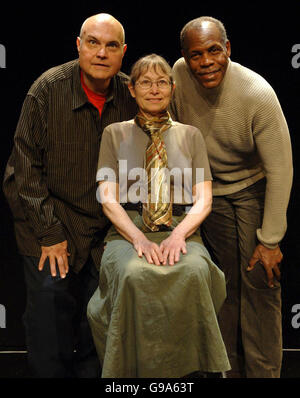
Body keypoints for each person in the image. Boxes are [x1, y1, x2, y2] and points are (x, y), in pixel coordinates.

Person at [2, 13, 138, 378]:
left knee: (102, 320)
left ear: (123, 53)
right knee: (50, 312)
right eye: (92, 42)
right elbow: (24, 169)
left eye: (111, 46)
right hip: (48, 222)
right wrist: (50, 235)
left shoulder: (132, 96)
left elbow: (143, 172)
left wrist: (124, 232)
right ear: (78, 45)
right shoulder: (47, 90)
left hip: (105, 228)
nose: (101, 53)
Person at [87, 54, 230, 378]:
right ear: (132, 89)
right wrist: (138, 238)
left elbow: (204, 199)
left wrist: (179, 236)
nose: (155, 89)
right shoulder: (114, 133)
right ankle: (129, 372)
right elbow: (108, 199)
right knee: (133, 273)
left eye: (162, 82)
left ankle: (192, 372)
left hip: (181, 225)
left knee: (194, 270)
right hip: (128, 227)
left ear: (173, 88)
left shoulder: (191, 135)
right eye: (146, 83)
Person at [170, 16, 293, 378]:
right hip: (211, 194)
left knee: (260, 280)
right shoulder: (177, 75)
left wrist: (270, 240)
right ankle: (226, 371)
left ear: (227, 49)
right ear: (185, 57)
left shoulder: (257, 94)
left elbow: (281, 171)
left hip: (253, 188)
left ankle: (263, 372)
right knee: (223, 287)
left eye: (213, 51)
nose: (205, 62)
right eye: (196, 55)